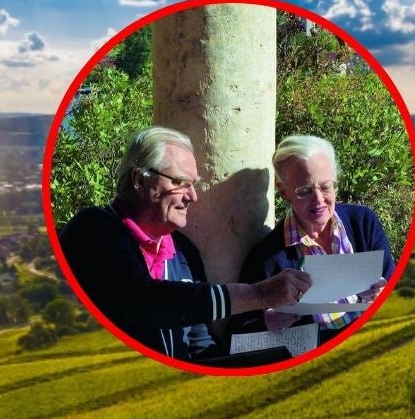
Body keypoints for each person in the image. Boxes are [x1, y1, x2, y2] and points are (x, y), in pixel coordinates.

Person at [59, 126, 312, 363]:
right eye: (180, 182)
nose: (192, 196)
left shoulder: (183, 252)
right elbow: (143, 300)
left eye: (194, 184)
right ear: (139, 180)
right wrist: (258, 294)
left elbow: (199, 344)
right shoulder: (93, 230)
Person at [237, 134, 396, 344]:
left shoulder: (363, 223)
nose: (319, 200)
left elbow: (394, 282)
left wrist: (382, 290)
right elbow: (239, 328)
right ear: (284, 193)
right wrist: (267, 321)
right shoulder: (267, 257)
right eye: (304, 191)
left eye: (325, 187)